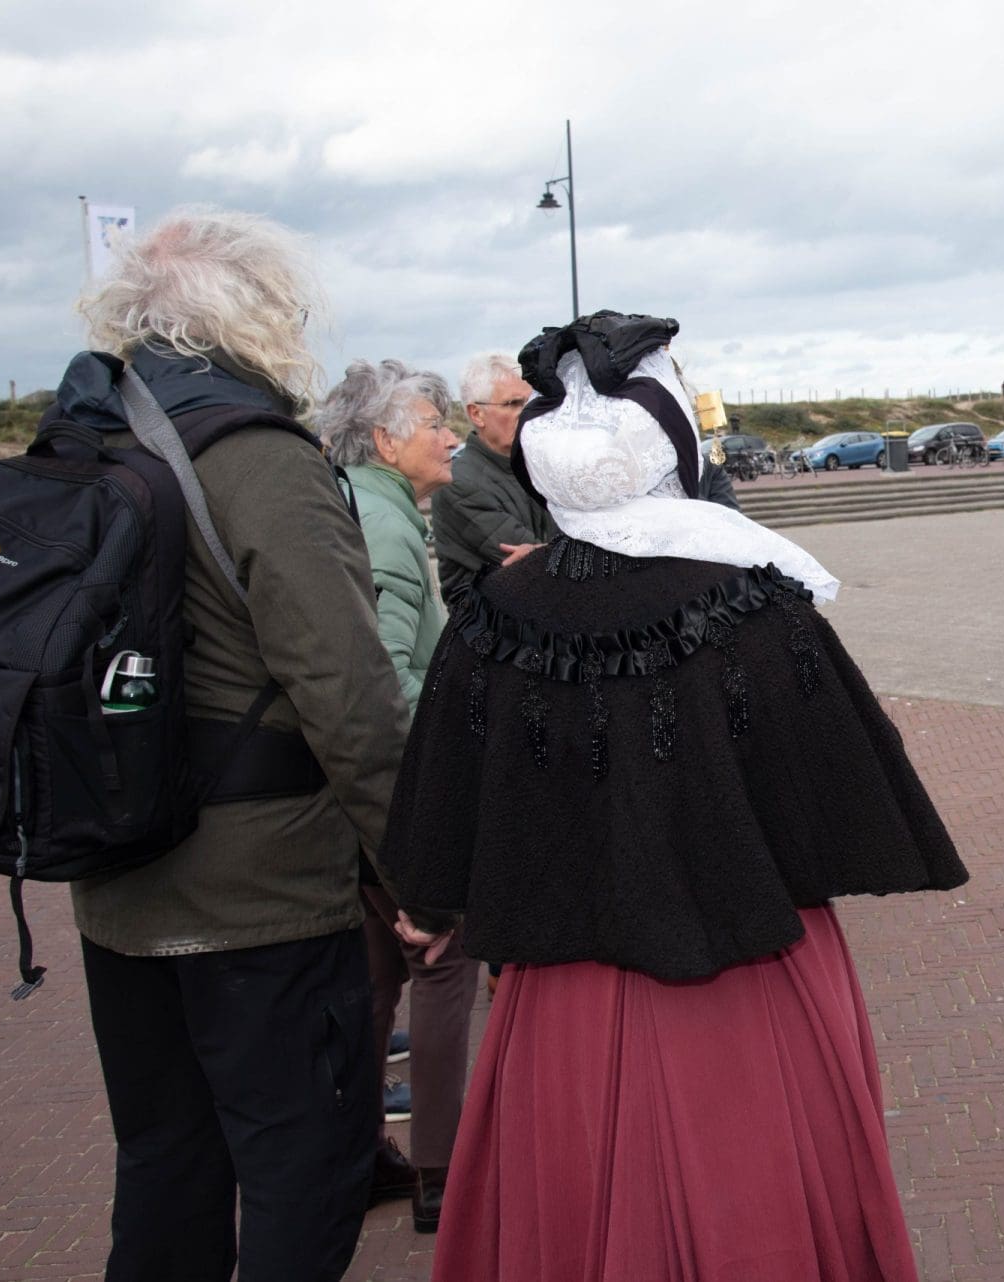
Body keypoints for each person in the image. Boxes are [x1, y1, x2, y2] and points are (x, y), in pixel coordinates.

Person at [377, 310, 968, 1281]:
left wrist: (435, 903)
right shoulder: (760, 606)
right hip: (751, 1002)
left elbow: (439, 823)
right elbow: (846, 809)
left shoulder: (492, 618)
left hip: (559, 1009)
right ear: (673, 446)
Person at [57, 207, 444, 1280]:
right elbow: (350, 696)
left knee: (166, 1171)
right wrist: (423, 875)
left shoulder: (91, 442)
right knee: (306, 1175)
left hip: (119, 881)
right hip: (263, 897)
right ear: (260, 312)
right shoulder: (258, 456)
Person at [319, 359, 480, 1233]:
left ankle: (357, 1156)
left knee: (376, 970)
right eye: (434, 424)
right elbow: (377, 679)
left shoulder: (363, 506)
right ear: (385, 440)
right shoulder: (381, 525)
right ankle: (443, 1170)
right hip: (396, 783)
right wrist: (462, 721)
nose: (451, 437)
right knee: (445, 958)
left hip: (356, 789)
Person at [432, 353, 556, 609]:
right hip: (495, 628)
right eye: (513, 403)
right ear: (476, 414)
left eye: (531, 401)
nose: (527, 412)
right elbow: (537, 565)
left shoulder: (541, 465)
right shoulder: (459, 483)